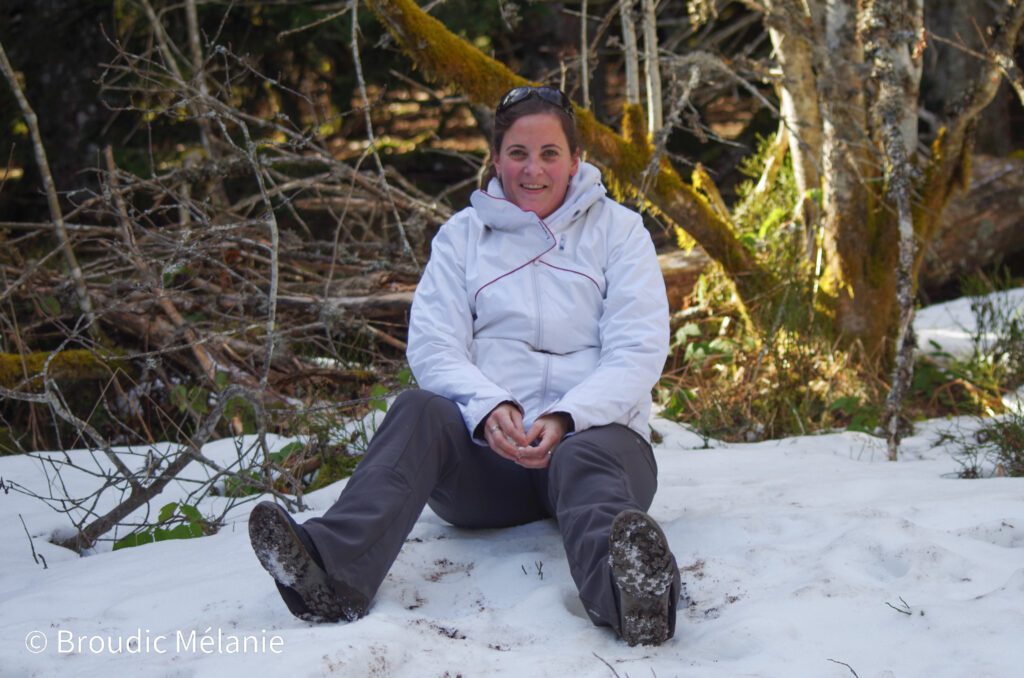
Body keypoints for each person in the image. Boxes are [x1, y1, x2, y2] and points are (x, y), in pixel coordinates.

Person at [248, 85, 681, 646]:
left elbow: (638, 349)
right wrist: (489, 407)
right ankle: (329, 571)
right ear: (496, 159)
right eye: (518, 154)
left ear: (576, 160)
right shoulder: (462, 239)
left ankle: (633, 599)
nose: (533, 169)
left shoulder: (620, 232)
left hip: (597, 449)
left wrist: (567, 417)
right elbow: (433, 345)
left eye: (550, 153)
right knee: (419, 409)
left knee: (584, 459)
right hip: (487, 464)